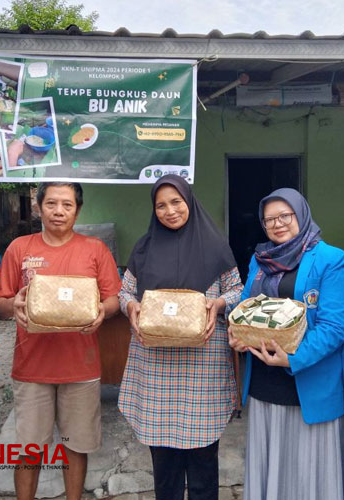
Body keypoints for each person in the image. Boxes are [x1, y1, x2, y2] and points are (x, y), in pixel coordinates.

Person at [118, 174, 243, 500]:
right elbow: (125, 291)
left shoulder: (215, 246)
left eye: (176, 202)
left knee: (203, 460)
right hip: (156, 367)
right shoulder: (144, 247)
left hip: (201, 368)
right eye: (161, 205)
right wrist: (130, 306)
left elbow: (237, 291)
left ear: (189, 202)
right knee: (165, 462)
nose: (169, 210)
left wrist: (218, 304)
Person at [0, 182, 121, 500]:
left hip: (81, 367)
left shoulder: (95, 249)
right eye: (51, 203)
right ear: (38, 207)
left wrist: (101, 312)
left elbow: (114, 298)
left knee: (76, 446)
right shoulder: (20, 248)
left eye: (67, 204)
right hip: (31, 367)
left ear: (78, 209)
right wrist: (15, 307)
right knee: (29, 449)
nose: (59, 211)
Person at [228, 188, 344, 500]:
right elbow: (246, 308)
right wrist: (238, 333)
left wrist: (291, 358)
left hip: (308, 381)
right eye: (269, 219)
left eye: (284, 215)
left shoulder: (330, 259)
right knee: (272, 465)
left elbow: (335, 327)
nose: (277, 224)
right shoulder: (260, 261)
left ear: (301, 213)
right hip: (264, 381)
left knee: (310, 473)